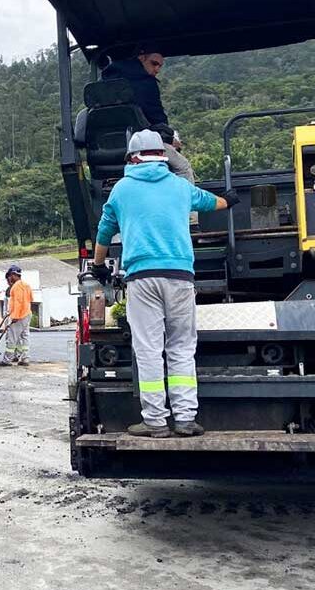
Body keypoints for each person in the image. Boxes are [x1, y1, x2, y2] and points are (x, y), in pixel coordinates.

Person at [90, 129, 238, 437]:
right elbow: (212, 203)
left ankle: (155, 421)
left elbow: (104, 233)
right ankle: (185, 419)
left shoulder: (121, 190)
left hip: (142, 279)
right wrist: (229, 201)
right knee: (182, 347)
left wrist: (98, 265)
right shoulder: (180, 187)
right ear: (163, 155)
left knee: (148, 349)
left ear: (131, 158)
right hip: (180, 276)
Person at [103, 48, 194, 185]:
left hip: (105, 150)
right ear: (142, 57)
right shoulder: (146, 83)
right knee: (183, 167)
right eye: (154, 63)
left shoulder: (104, 82)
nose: (157, 69)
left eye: (160, 66)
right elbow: (156, 118)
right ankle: (185, 204)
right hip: (143, 147)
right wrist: (170, 138)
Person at [0, 264, 32, 367]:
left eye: (9, 276)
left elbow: (17, 303)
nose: (9, 279)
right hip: (27, 314)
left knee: (11, 338)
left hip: (18, 316)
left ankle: (7, 360)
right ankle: (25, 358)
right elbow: (31, 299)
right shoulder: (27, 285)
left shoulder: (15, 287)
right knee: (25, 337)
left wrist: (15, 317)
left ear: (13, 275)